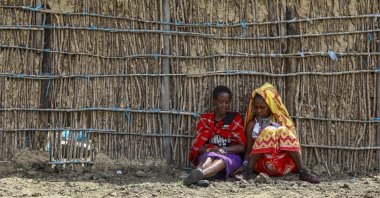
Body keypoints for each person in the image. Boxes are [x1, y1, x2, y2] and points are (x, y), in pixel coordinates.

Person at [234, 83, 320, 184]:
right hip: (263, 166)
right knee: (269, 131)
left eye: (262, 107)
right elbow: (249, 149)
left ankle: (302, 171)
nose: (259, 111)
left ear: (271, 106)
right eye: (256, 107)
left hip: (283, 165)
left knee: (283, 130)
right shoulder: (252, 124)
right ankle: (248, 171)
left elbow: (294, 143)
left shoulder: (282, 121)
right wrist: (245, 165)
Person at [183, 85, 246, 186]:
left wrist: (224, 150)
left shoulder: (235, 119)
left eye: (227, 102)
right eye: (221, 102)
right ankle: (198, 175)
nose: (224, 105)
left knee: (223, 160)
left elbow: (242, 147)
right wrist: (210, 150)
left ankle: (197, 176)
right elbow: (198, 147)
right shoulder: (206, 120)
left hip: (231, 156)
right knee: (210, 157)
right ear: (214, 102)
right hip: (209, 154)